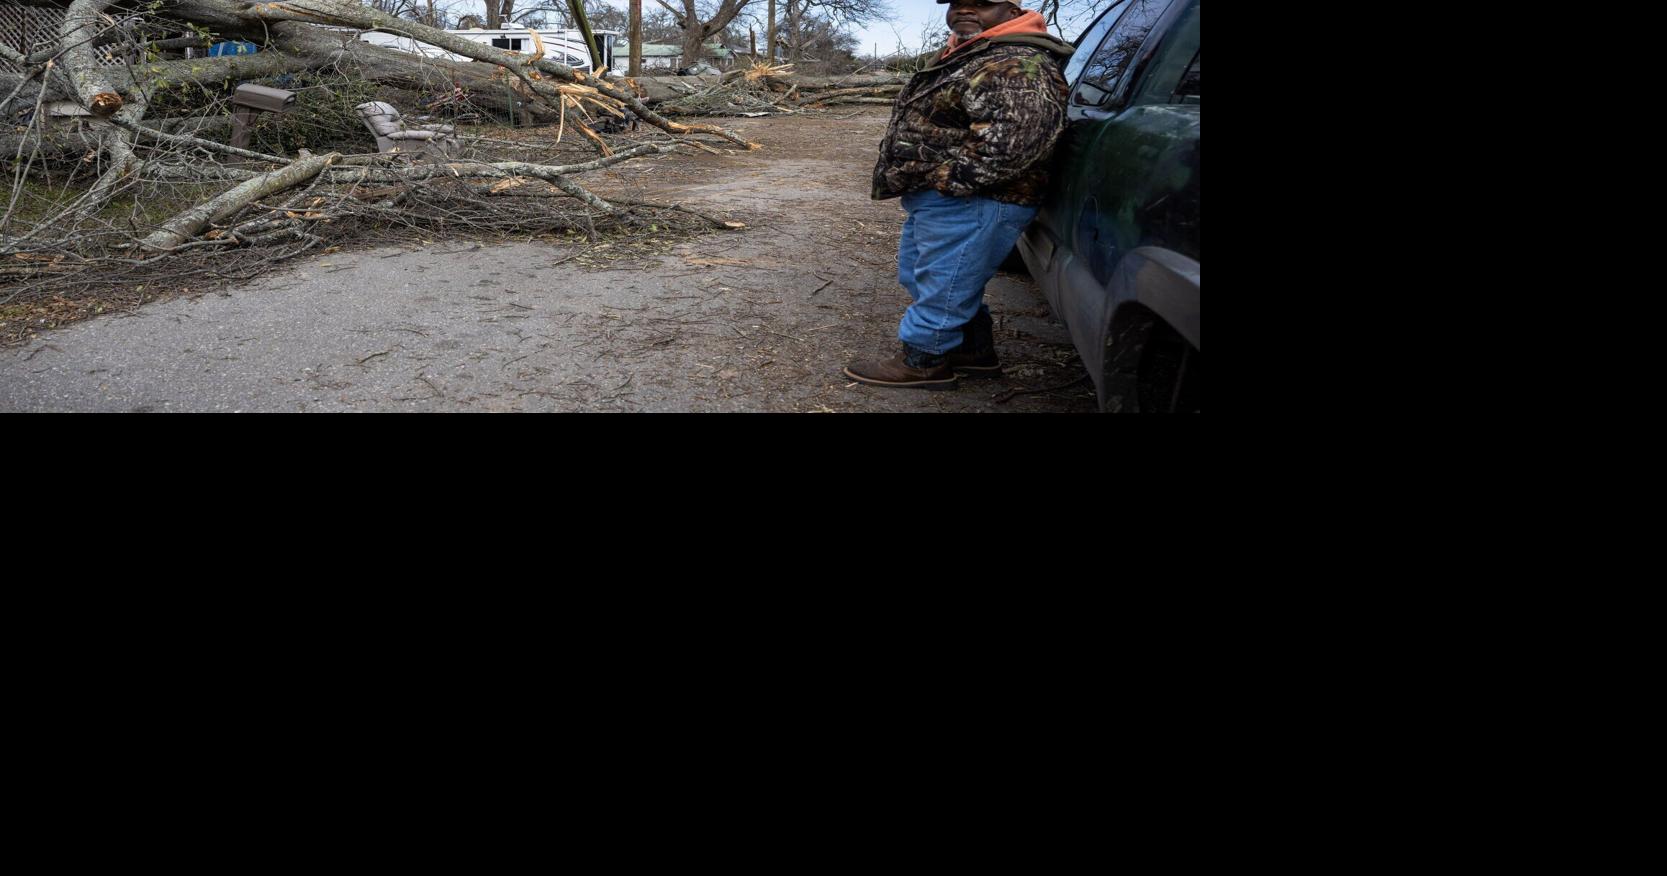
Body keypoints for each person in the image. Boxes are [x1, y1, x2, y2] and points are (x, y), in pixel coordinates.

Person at [843, 0, 1074, 389]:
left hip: (976, 198)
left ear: (1013, 10)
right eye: (958, 2)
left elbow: (1016, 142)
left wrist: (948, 183)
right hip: (945, 198)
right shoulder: (973, 51)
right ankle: (972, 352)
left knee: (945, 285)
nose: (966, 8)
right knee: (927, 276)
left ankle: (924, 361)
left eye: (982, 2)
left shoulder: (1017, 63)